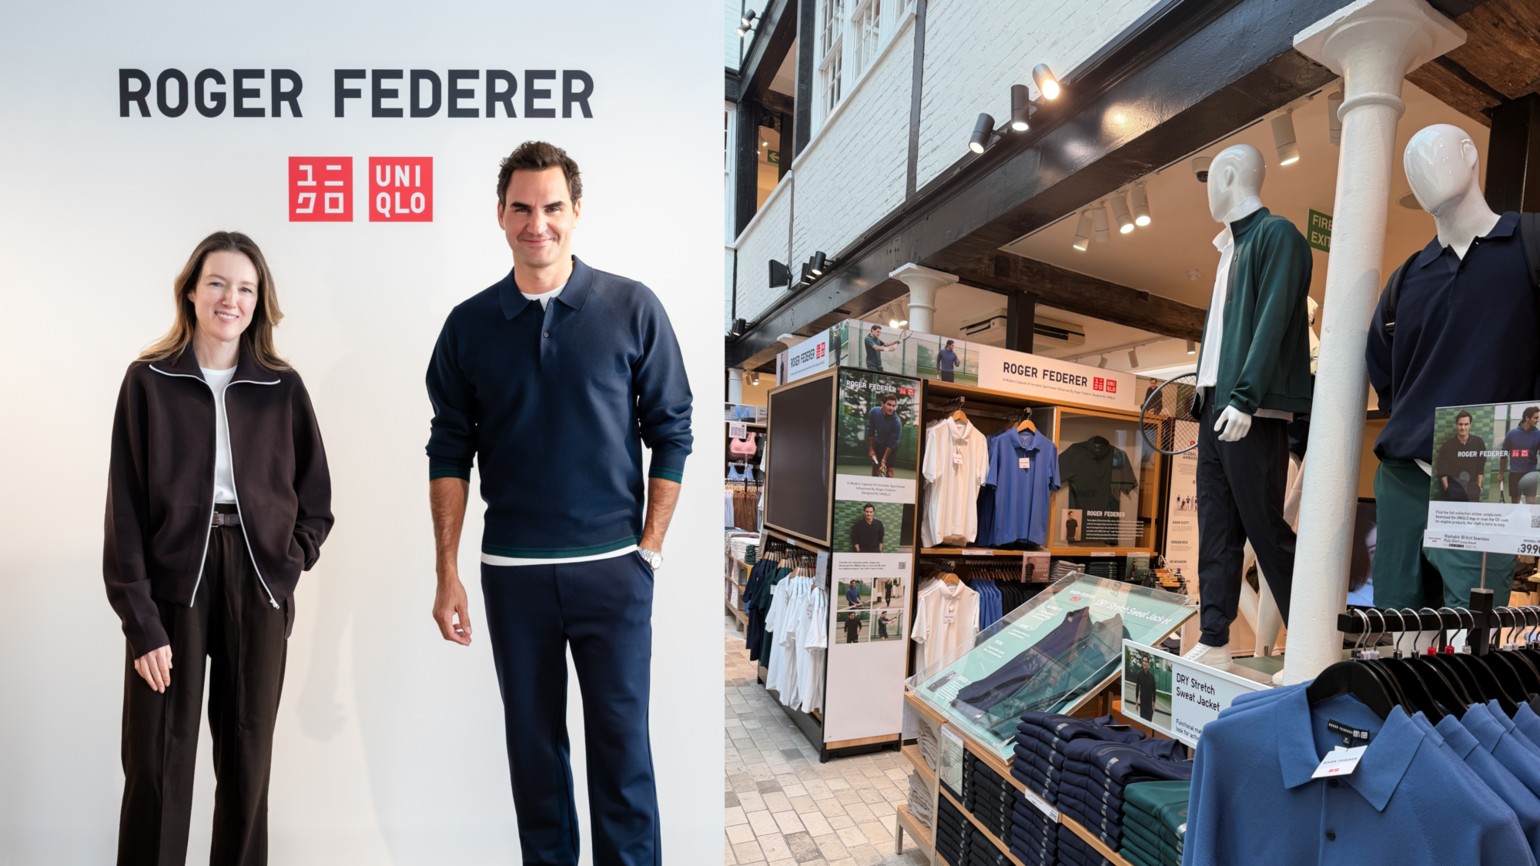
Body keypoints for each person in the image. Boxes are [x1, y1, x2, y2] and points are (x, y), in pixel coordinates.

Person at [424, 141, 692, 866]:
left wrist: (651, 549)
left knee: (622, 757)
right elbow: (449, 451)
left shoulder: (632, 308)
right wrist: (447, 572)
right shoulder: (469, 326)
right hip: (511, 576)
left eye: (551, 208)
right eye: (521, 207)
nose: (535, 222)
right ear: (501, 215)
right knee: (535, 760)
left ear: (576, 213)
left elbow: (672, 429)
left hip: (613, 570)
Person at [105, 231, 333, 866]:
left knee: (246, 764)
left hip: (258, 582)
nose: (230, 298)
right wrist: (141, 622)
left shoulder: (281, 387)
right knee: (157, 765)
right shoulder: (147, 381)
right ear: (192, 291)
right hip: (173, 583)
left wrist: (291, 559)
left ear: (259, 303)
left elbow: (316, 496)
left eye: (245, 288)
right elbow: (123, 514)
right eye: (217, 283)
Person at [1434, 410, 1486, 502]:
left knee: (1471, 514)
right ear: (1456, 425)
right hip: (1454, 487)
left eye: (1466, 424)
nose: (1463, 427)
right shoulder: (1447, 445)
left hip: (1472, 486)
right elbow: (1441, 469)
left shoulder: (1478, 442)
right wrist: (1447, 488)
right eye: (1460, 424)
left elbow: (1481, 465)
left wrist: (1478, 486)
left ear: (1470, 425)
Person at [1502, 406, 1540, 503]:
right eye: (1535, 418)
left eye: (1538, 418)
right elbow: (1503, 454)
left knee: (1531, 502)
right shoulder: (1512, 434)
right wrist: (1501, 474)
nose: (1538, 420)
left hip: (1531, 474)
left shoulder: (1538, 434)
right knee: (1515, 502)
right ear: (1527, 418)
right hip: (1515, 474)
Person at [866, 393, 903, 477]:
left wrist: (883, 461)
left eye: (893, 406)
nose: (891, 408)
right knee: (875, 467)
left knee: (889, 473)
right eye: (889, 405)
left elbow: (892, 443)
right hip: (879, 444)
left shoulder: (897, 423)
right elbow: (870, 430)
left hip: (892, 448)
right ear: (882, 404)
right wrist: (871, 448)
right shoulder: (873, 412)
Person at [1134, 654, 1157, 722]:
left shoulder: (1151, 677)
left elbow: (1154, 690)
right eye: (1143, 661)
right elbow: (1137, 688)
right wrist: (1136, 702)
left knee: (1149, 722)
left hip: (1149, 704)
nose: (1144, 663)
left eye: (1146, 662)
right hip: (1142, 704)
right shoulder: (1139, 674)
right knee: (1143, 723)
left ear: (1148, 663)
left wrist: (1153, 703)